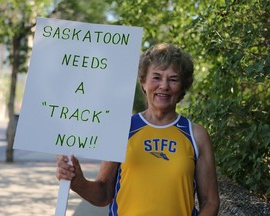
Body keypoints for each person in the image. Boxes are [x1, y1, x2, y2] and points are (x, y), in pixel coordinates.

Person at [56, 43, 220, 215]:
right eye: (156, 77)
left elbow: (210, 201)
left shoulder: (196, 135)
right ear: (143, 81)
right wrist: (77, 181)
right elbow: (103, 194)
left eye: (173, 79)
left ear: (182, 87)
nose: (164, 86)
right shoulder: (122, 128)